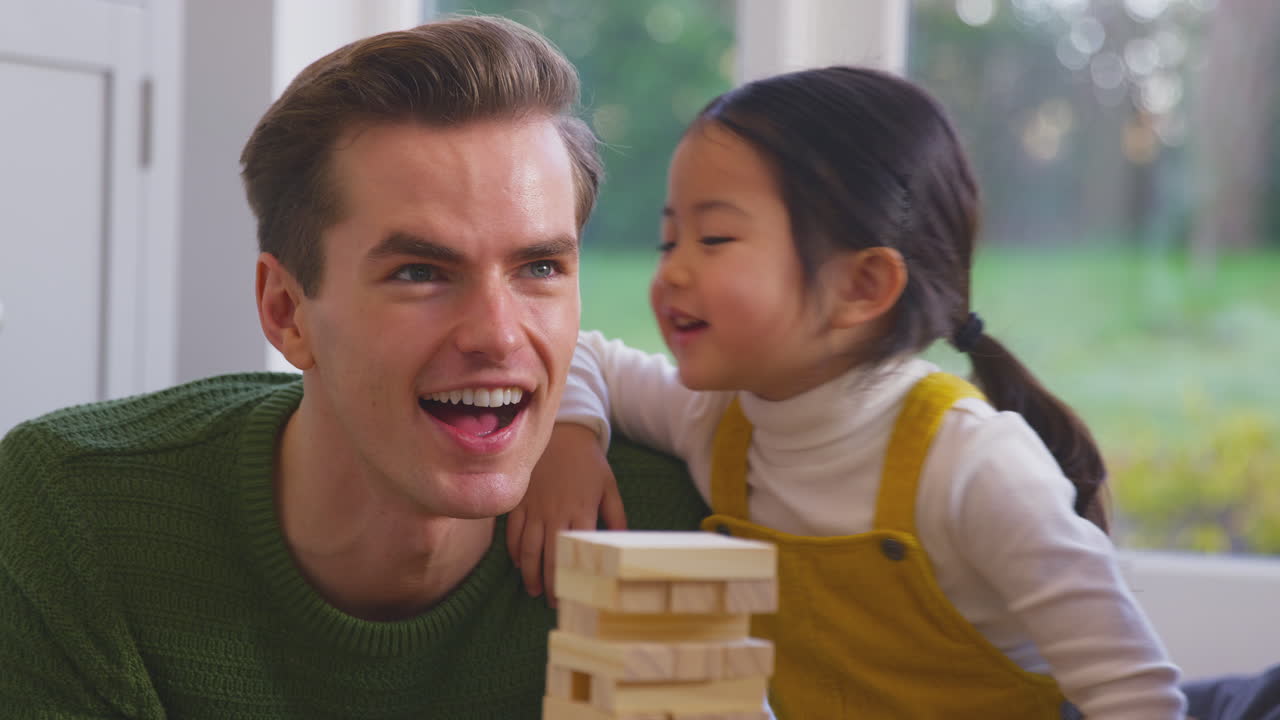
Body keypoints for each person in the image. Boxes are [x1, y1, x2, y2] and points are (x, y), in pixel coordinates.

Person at [0, 16, 711, 719]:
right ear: (286, 311)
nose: (497, 336)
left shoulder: (665, 527)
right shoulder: (74, 516)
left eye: (541, 267)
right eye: (420, 272)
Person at [507, 66, 1188, 718]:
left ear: (862, 286)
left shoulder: (974, 465)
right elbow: (585, 353)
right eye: (668, 241)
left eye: (713, 238)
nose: (672, 273)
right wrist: (571, 439)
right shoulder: (713, 418)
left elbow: (1138, 696)